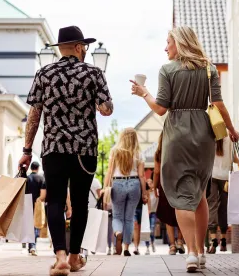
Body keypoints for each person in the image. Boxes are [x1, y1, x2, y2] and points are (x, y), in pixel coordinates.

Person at [131, 26, 239, 272]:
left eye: (168, 42)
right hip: (204, 134)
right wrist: (231, 130)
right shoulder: (209, 69)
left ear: (179, 43)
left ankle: (190, 252)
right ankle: (201, 252)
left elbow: (160, 108)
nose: (165, 47)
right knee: (200, 192)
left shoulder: (167, 70)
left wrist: (143, 92)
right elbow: (218, 104)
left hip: (178, 133)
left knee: (181, 192)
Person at [19, 26, 113, 275]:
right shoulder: (94, 73)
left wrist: (27, 149)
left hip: (53, 148)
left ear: (61, 48)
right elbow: (107, 109)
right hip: (84, 149)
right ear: (80, 47)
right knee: (81, 203)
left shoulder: (44, 73)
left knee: (55, 200)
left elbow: (34, 115)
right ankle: (74, 257)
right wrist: (95, 100)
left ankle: (60, 256)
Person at [103, 128, 147, 257]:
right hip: (134, 184)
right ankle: (126, 247)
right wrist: (144, 193)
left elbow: (110, 171)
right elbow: (142, 176)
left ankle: (118, 232)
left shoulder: (115, 151)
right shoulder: (138, 153)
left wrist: (105, 187)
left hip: (118, 183)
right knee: (129, 218)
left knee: (117, 216)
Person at [153, 133, 185, 255]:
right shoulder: (180, 150)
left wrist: (155, 187)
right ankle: (180, 241)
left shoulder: (159, 153)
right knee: (181, 211)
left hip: (165, 185)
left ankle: (172, 246)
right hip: (180, 183)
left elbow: (156, 171)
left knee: (167, 216)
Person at [207, 138, 239, 254]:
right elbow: (234, 158)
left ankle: (214, 240)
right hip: (226, 177)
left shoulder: (210, 136)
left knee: (212, 206)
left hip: (212, 176)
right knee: (224, 208)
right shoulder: (230, 137)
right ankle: (224, 241)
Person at [22, 161, 46, 256]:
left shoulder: (27, 178)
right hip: (37, 203)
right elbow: (43, 194)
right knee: (35, 224)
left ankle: (30, 246)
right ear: (38, 168)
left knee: (29, 225)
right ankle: (33, 246)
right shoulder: (41, 178)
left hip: (27, 202)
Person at [133, 182, 150, 255]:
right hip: (133, 207)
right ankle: (135, 247)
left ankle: (137, 246)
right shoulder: (132, 181)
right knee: (136, 226)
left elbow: (148, 195)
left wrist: (149, 209)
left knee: (139, 228)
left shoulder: (144, 183)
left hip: (141, 208)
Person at [146, 178, 158, 254]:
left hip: (153, 212)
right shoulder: (145, 193)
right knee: (146, 231)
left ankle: (152, 242)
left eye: (151, 183)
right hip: (146, 214)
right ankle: (147, 247)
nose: (149, 184)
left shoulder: (156, 192)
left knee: (152, 229)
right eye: (148, 183)